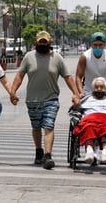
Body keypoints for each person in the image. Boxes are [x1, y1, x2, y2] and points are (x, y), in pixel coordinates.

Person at [10, 31, 80, 170]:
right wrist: (13, 92)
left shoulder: (57, 58)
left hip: (51, 99)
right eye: (40, 42)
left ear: (50, 42)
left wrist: (76, 93)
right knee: (36, 127)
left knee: (48, 126)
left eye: (45, 42)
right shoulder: (29, 57)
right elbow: (20, 75)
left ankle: (48, 156)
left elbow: (68, 77)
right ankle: (38, 151)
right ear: (36, 42)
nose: (42, 44)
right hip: (32, 100)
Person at [72, 77, 106, 164]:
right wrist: (75, 103)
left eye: (101, 87)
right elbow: (74, 111)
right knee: (89, 127)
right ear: (93, 88)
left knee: (105, 128)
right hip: (90, 119)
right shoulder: (87, 99)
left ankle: (105, 152)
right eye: (96, 87)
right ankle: (89, 151)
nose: (99, 89)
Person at [75, 32, 106, 98]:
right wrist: (81, 92)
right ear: (91, 44)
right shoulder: (85, 57)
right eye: (95, 45)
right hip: (88, 92)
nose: (98, 47)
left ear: (104, 45)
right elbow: (78, 76)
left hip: (104, 92)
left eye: (100, 45)